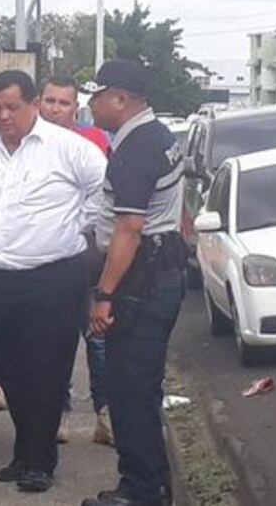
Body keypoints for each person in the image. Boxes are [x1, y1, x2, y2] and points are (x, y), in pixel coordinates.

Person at [0, 71, 106, 493]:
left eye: (12, 107)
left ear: (32, 105)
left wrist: (76, 230)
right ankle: (24, 451)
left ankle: (41, 460)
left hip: (52, 277)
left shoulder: (69, 148)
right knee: (9, 372)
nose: (3, 116)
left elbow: (102, 191)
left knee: (45, 371)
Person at [83, 61, 188, 506]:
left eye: (97, 95)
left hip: (139, 281)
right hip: (160, 274)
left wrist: (104, 294)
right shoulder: (160, 137)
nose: (91, 104)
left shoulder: (135, 149)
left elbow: (128, 228)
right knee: (142, 386)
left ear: (121, 99)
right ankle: (155, 483)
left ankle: (141, 491)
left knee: (128, 389)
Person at [39, 75, 114, 447]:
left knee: (97, 338)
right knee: (54, 341)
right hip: (46, 261)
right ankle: (58, 414)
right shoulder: (28, 142)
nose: (55, 109)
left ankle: (105, 415)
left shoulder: (95, 143)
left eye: (63, 103)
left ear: (75, 107)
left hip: (89, 258)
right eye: (49, 101)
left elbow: (104, 201)